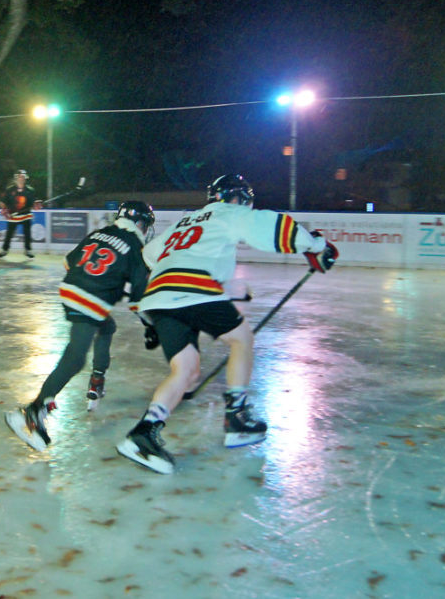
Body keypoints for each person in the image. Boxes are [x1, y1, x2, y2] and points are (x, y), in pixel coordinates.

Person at [116, 174, 339, 474]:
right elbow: (273, 227)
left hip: (158, 296)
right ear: (239, 199)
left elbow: (149, 255)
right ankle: (237, 417)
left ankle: (143, 433)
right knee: (241, 339)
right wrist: (314, 246)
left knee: (187, 370)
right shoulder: (229, 212)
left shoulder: (186, 220)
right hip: (194, 287)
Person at [5, 201, 156, 451]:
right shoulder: (135, 246)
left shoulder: (99, 233)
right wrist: (151, 325)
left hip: (69, 290)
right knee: (75, 358)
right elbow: (139, 299)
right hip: (91, 300)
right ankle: (33, 412)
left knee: (106, 327)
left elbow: (68, 262)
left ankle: (97, 377)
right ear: (141, 223)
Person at [0, 169, 41, 259]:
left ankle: (28, 250)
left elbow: (33, 203)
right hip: (13, 215)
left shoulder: (30, 190)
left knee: (27, 233)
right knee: (9, 234)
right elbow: (2, 202)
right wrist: (4, 209)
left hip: (26, 215)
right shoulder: (9, 190)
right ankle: (5, 250)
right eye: (19, 177)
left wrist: (36, 205)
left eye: (23, 177)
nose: (21, 179)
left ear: (25, 178)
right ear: (16, 178)